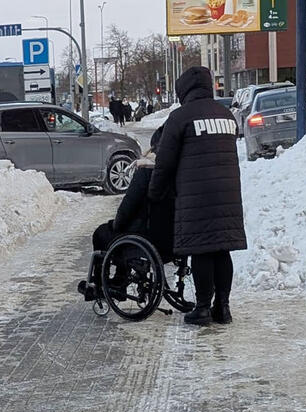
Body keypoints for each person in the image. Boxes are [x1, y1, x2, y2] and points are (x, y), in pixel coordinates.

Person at [148, 66, 246, 326]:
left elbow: (165, 162)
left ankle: (202, 308)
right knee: (222, 249)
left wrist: (155, 193)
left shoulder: (181, 117)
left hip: (197, 194)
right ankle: (222, 308)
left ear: (184, 90)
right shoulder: (227, 116)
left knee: (202, 250)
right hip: (228, 193)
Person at [79, 126, 173, 301]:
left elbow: (127, 207)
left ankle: (104, 284)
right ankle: (119, 280)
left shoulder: (146, 173)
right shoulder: (182, 172)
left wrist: (116, 225)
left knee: (103, 234)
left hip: (147, 237)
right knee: (122, 234)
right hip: (172, 240)